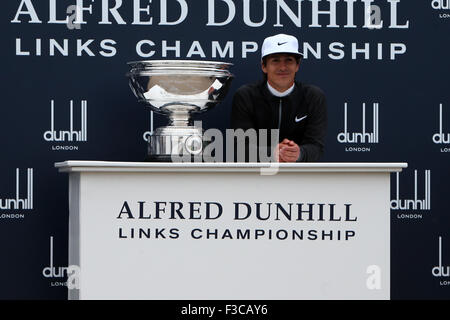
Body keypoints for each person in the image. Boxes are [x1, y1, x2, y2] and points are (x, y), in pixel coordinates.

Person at [231, 33, 327, 162]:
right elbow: (242, 148)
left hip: (300, 177)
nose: (283, 67)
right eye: (275, 60)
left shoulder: (313, 96)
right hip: (256, 177)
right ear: (264, 66)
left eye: (289, 60)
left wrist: (299, 153)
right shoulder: (245, 96)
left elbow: (316, 146)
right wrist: (273, 153)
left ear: (297, 65)